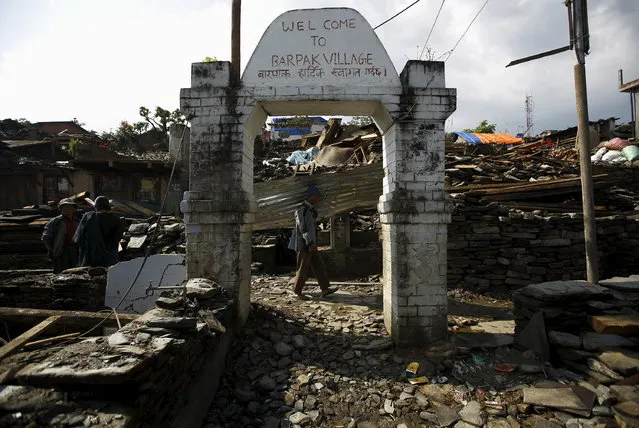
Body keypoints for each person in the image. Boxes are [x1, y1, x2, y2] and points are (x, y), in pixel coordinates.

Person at [288, 185, 338, 298]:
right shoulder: (301, 210)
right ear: (310, 197)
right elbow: (302, 228)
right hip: (304, 245)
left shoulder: (311, 210)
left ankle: (325, 289)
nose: (317, 199)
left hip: (312, 244)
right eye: (316, 197)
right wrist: (310, 242)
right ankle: (297, 291)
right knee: (302, 269)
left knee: (319, 266)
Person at [74, 196, 124, 267]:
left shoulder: (89, 217)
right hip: (111, 255)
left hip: (91, 256)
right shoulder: (116, 219)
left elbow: (79, 238)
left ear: (96, 206)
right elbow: (119, 236)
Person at [41, 198, 79, 273]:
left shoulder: (77, 221)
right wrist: (51, 250)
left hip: (75, 250)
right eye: (63, 207)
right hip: (61, 250)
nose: (66, 209)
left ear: (73, 209)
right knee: (61, 272)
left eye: (68, 207)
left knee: (75, 271)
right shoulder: (55, 222)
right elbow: (46, 237)